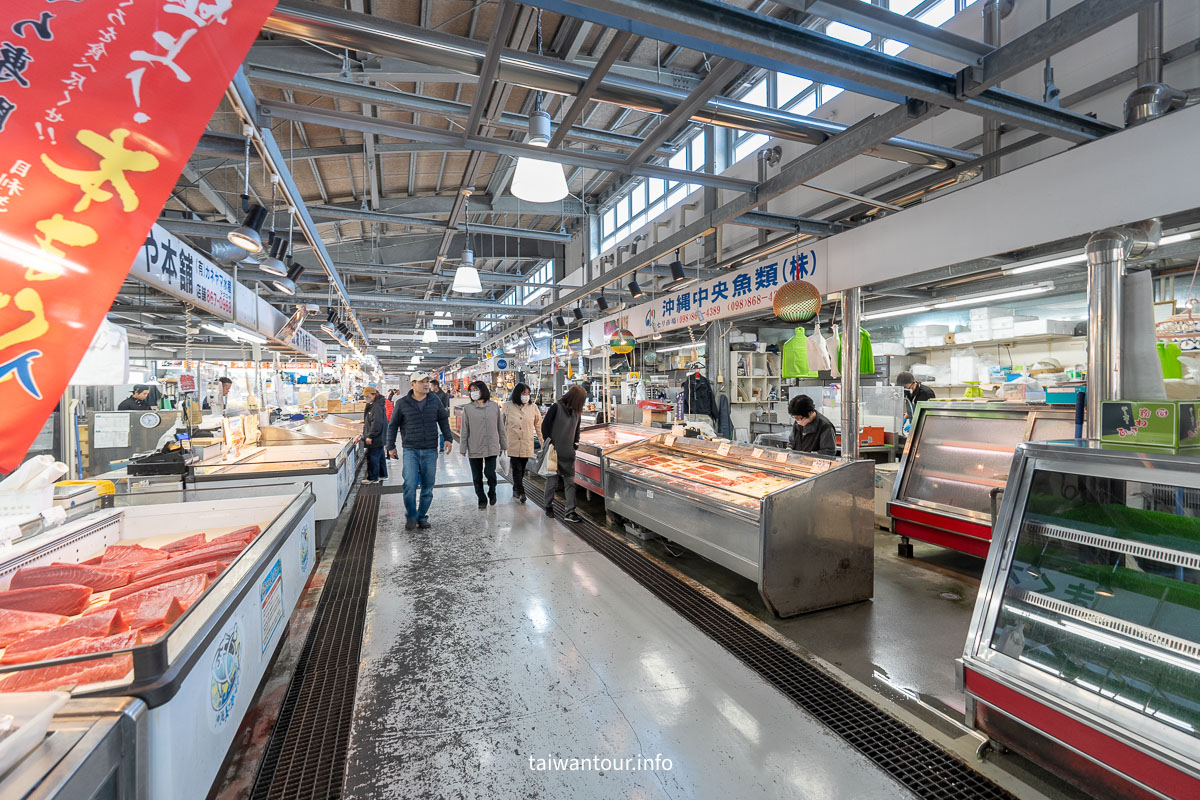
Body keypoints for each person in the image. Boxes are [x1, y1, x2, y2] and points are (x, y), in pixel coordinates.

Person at [387, 371, 453, 530]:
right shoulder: (402, 403)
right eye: (421, 381)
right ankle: (411, 515)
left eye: (427, 381)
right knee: (409, 484)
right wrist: (390, 446)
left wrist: (448, 438)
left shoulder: (434, 400)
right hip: (411, 449)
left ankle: (422, 516)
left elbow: (443, 419)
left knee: (428, 486)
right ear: (412, 384)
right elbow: (393, 425)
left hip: (430, 449)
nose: (425, 384)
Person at [541, 385, 585, 523]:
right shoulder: (556, 407)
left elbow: (577, 429)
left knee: (570, 483)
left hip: (568, 453)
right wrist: (550, 444)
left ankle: (570, 512)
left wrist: (575, 443)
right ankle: (548, 506)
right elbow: (545, 426)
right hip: (554, 452)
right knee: (552, 481)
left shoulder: (577, 412)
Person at [460, 381, 507, 509]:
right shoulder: (468, 408)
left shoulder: (494, 406)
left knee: (490, 472)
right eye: (471, 390)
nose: (473, 392)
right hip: (474, 445)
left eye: (475, 389)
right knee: (477, 476)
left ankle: (492, 492)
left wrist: (504, 444)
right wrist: (463, 447)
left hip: (492, 446)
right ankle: (481, 498)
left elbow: (500, 427)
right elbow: (465, 429)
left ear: (482, 390)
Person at [504, 382, 542, 504]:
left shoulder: (533, 407)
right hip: (512, 443)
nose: (526, 396)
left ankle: (516, 488)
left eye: (528, 394)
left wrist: (543, 443)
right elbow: (500, 425)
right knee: (516, 468)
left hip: (526, 443)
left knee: (522, 468)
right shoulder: (508, 406)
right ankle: (521, 492)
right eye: (523, 393)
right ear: (517, 394)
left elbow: (539, 426)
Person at [361, 386, 389, 484]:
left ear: (373, 395)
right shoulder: (375, 405)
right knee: (380, 456)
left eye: (367, 396)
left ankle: (373, 478)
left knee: (372, 457)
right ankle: (382, 474)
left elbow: (377, 423)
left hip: (376, 437)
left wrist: (370, 435)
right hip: (379, 436)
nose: (365, 398)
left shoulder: (376, 407)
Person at [429, 378, 450, 452]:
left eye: (431, 385)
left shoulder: (443, 395)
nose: (430, 387)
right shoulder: (430, 394)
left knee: (441, 432)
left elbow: (445, 406)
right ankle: (432, 446)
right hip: (431, 415)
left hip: (439, 416)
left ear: (436, 386)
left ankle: (441, 447)